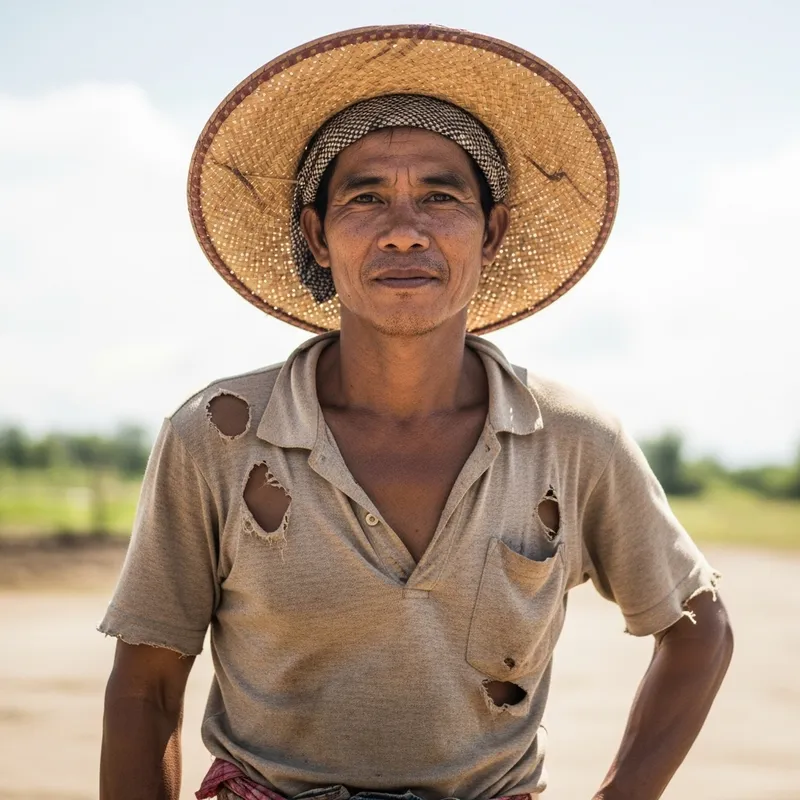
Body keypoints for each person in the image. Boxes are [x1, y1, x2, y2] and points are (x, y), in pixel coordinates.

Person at [99, 24, 733, 800]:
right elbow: (145, 689)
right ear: (317, 236)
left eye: (440, 196)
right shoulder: (219, 434)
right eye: (366, 198)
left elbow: (700, 629)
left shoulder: (570, 439)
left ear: (491, 231)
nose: (405, 230)